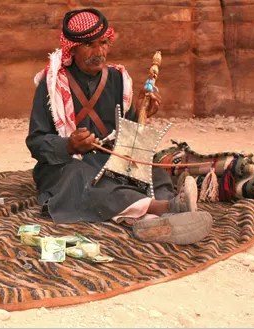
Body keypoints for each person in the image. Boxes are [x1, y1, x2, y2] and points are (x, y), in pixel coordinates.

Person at [26, 8, 213, 245]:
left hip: (112, 159)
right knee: (82, 177)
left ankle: (160, 218)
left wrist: (141, 113)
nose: (99, 51)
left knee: (150, 166)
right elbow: (36, 142)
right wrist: (69, 144)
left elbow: (127, 135)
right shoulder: (51, 85)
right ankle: (168, 208)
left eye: (103, 43)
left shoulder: (117, 79)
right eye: (90, 45)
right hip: (67, 165)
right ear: (72, 48)